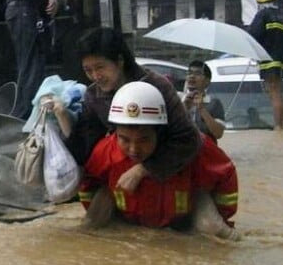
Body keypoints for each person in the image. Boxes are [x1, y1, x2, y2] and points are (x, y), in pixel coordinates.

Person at [79, 81, 239, 240]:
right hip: (127, 217)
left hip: (184, 218)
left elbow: (226, 174)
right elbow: (87, 185)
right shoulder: (105, 152)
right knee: (89, 226)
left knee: (215, 231)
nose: (134, 149)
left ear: (160, 132)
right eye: (124, 140)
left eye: (144, 140)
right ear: (114, 133)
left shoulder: (193, 147)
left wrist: (223, 215)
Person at [68, 27, 201, 193]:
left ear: (120, 60)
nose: (96, 76)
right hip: (124, 177)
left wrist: (143, 170)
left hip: (173, 175)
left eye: (100, 67)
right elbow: (88, 141)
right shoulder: (94, 96)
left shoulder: (158, 87)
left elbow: (188, 140)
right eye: (88, 70)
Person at [5, 0, 68, 119]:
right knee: (31, 64)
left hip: (21, 12)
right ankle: (23, 113)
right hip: (23, 11)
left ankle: (24, 110)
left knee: (30, 63)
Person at [249, 0, 283, 130]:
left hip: (268, 60)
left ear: (260, 1)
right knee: (279, 92)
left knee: (273, 92)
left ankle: (278, 127)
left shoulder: (263, 14)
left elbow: (253, 34)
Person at [182, 60, 225, 142]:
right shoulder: (178, 99)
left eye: (198, 73)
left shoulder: (214, 103)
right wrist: (184, 108)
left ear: (207, 81)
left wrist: (202, 109)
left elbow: (218, 133)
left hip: (205, 150)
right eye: (189, 73)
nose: (192, 76)